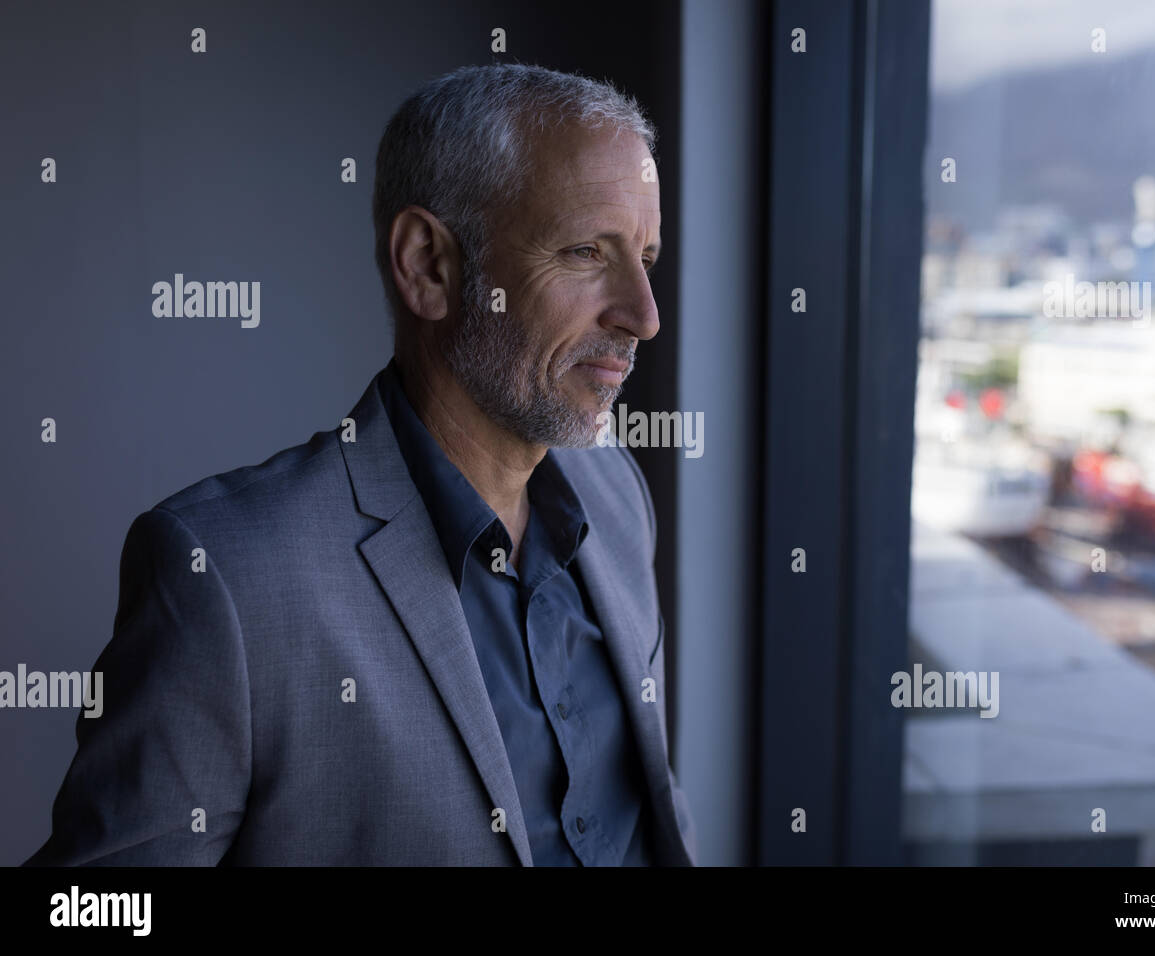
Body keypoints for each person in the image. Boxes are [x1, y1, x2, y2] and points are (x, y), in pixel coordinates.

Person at [25, 63, 696, 866]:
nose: (645, 317)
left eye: (645, 257)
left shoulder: (616, 493)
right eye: (587, 251)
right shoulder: (228, 581)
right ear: (429, 266)